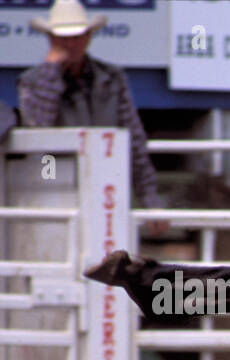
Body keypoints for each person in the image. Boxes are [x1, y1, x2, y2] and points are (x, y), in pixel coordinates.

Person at [18, 0, 166, 235]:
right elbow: (38, 127)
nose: (71, 44)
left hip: (106, 189)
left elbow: (134, 139)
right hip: (55, 189)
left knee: (109, 253)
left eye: (77, 37)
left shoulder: (112, 78)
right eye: (63, 38)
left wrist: (150, 199)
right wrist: (51, 71)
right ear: (51, 40)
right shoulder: (33, 81)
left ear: (88, 37)